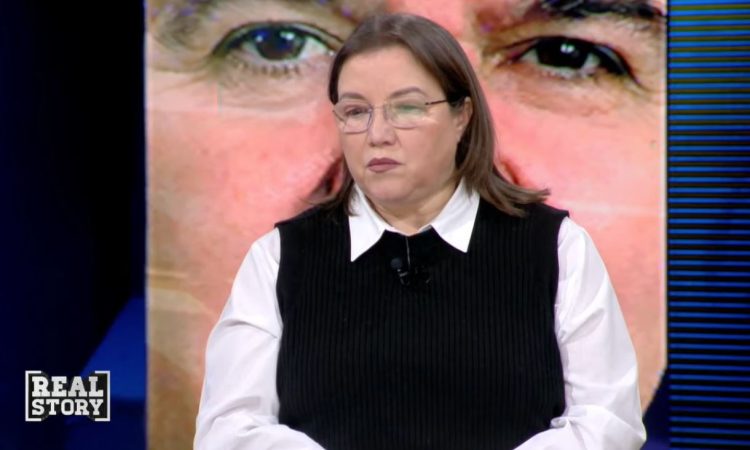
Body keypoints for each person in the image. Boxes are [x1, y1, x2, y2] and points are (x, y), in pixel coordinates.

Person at [147, 1, 665, 448]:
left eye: (565, 55)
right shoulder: (277, 258)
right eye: (278, 43)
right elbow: (232, 423)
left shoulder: (564, 251)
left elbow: (605, 420)